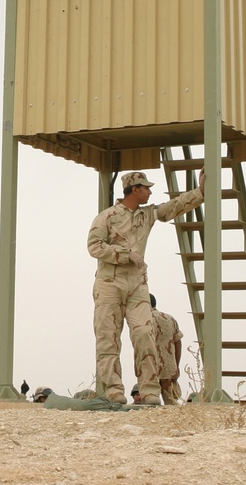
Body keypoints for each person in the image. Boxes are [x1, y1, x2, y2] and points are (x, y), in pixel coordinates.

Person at [87, 170, 205, 406]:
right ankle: (113, 391)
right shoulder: (107, 217)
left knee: (144, 333)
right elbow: (94, 246)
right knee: (108, 338)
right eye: (146, 188)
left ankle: (149, 391)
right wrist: (125, 254)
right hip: (110, 284)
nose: (150, 192)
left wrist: (200, 192)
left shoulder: (146, 215)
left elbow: (172, 207)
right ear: (135, 189)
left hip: (137, 285)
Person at [150, 294, 183, 405]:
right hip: (169, 366)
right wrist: (176, 365)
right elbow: (177, 342)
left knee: (150, 402)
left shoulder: (142, 320)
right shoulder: (170, 318)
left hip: (150, 365)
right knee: (172, 403)